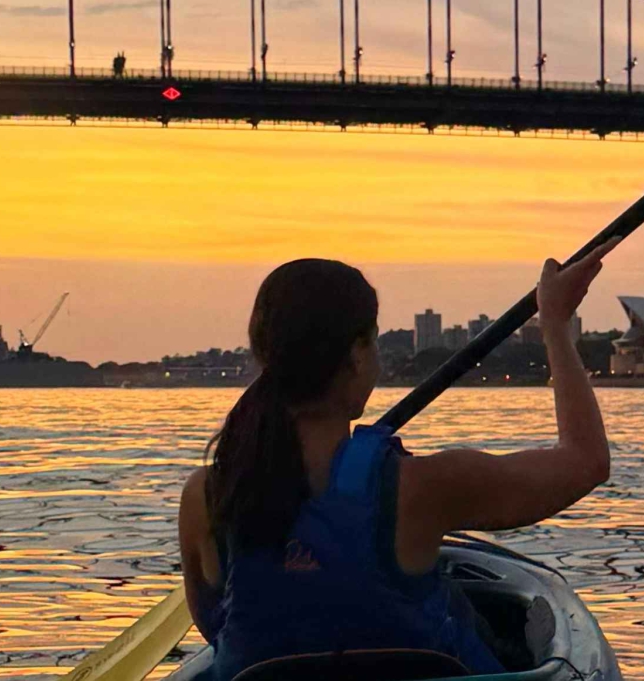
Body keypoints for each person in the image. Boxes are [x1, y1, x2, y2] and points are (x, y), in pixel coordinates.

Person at [178, 242, 617, 679]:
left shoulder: (205, 497)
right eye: (374, 342)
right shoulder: (422, 488)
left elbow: (216, 624)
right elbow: (586, 461)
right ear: (356, 355)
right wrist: (556, 324)